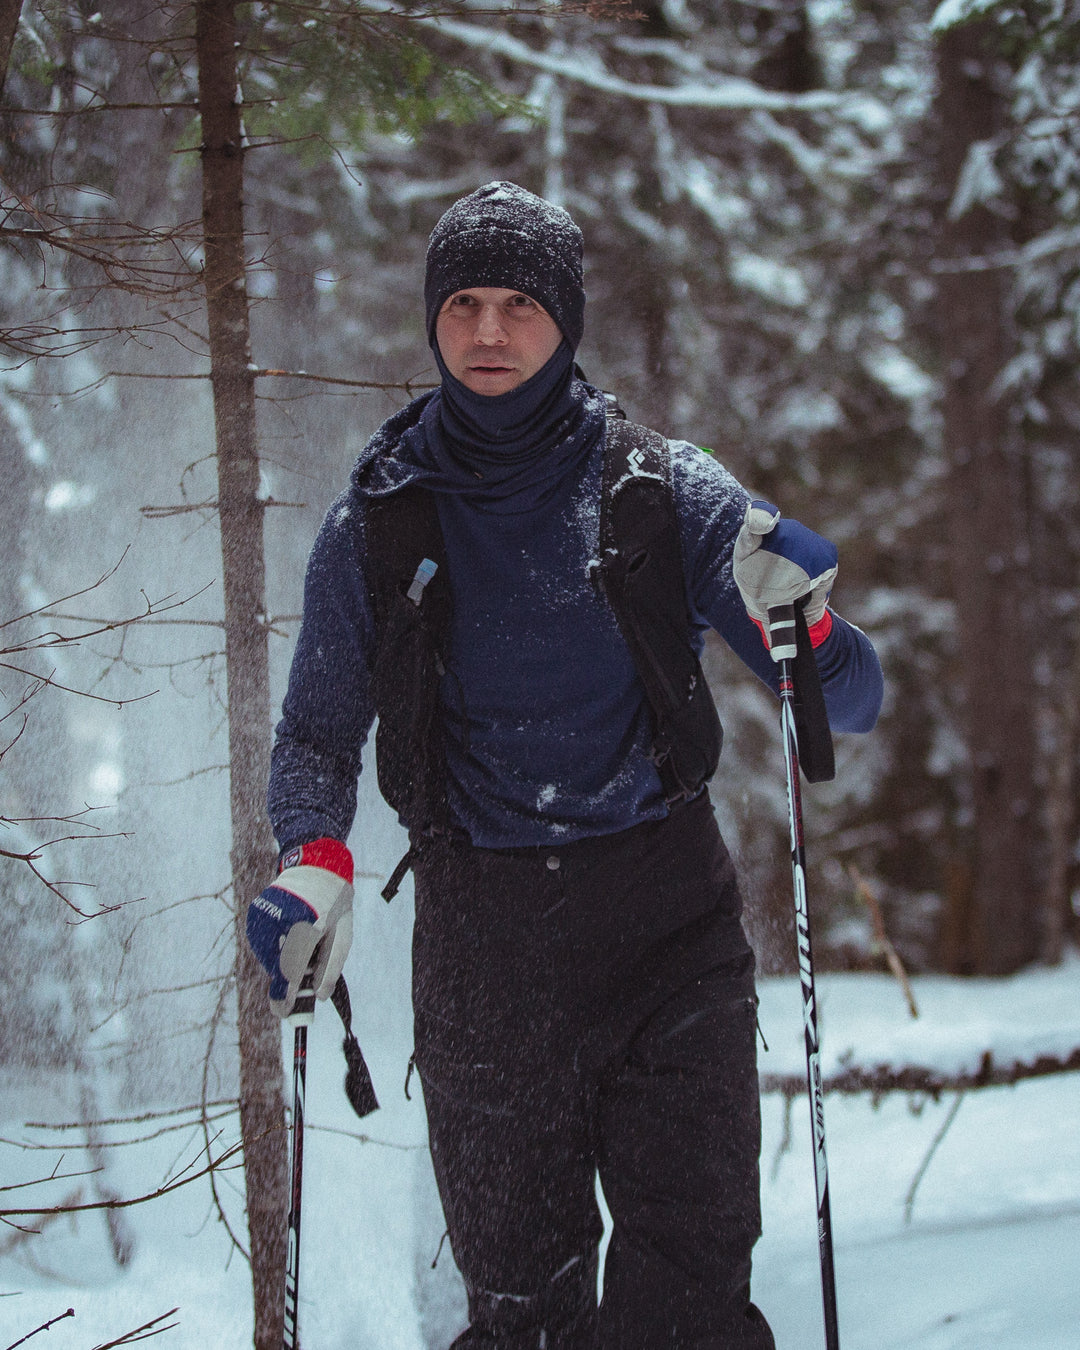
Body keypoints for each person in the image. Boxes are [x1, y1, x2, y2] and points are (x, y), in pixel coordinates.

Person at [248, 182, 883, 1349]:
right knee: (525, 1319)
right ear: (434, 321)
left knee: (685, 1304)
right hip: (485, 946)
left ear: (568, 324)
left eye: (522, 307)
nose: (490, 333)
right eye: (466, 305)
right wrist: (316, 858)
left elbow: (847, 699)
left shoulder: (664, 493)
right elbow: (317, 733)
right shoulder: (381, 518)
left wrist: (816, 626)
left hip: (668, 932)